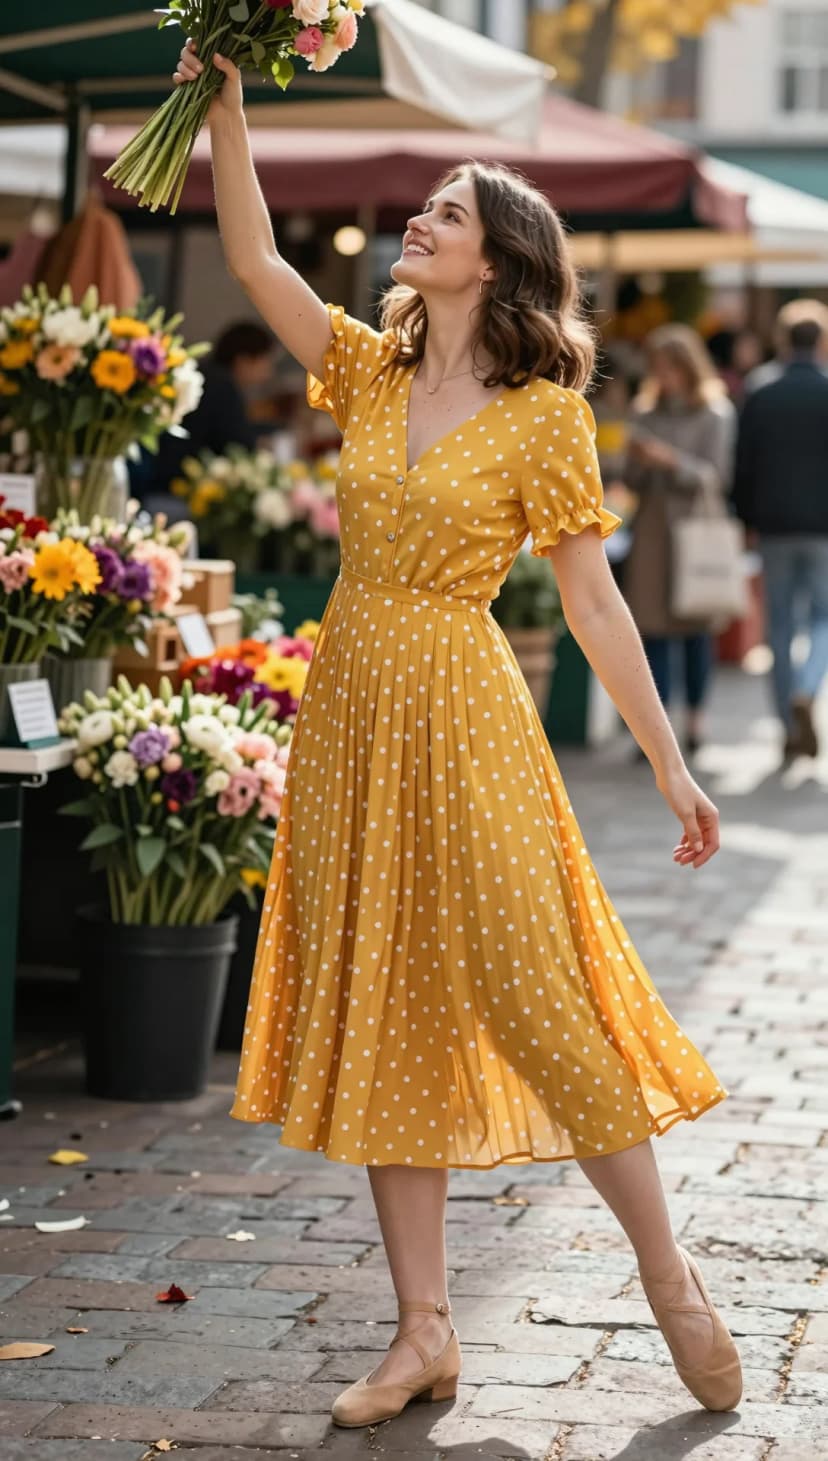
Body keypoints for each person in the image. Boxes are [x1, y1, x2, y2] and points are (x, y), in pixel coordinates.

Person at [174, 40, 742, 1429]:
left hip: (473, 715)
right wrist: (228, 107)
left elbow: (596, 601)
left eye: (444, 213)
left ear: (493, 261)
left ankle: (667, 1276)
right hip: (356, 703)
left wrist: (669, 760)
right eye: (421, 208)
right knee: (387, 1012)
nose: (416, 223)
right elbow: (253, 263)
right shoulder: (368, 373)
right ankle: (422, 1326)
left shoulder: (549, 416)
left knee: (535, 992)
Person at [622, 326, 736, 756]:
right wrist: (635, 461)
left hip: (695, 533)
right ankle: (657, 733)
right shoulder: (645, 413)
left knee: (693, 634)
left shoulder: (715, 413)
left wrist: (670, 461)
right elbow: (630, 481)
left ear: (687, 369)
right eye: (658, 369)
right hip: (652, 534)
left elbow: (716, 476)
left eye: (669, 369)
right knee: (651, 635)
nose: (663, 377)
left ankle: (696, 724)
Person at [733, 301, 828, 759]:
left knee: (782, 626)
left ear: (785, 339)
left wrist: (746, 520)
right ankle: (807, 688)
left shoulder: (761, 391)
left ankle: (787, 723)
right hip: (823, 530)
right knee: (825, 618)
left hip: (772, 527)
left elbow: (743, 465)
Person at [137, 318, 275, 515]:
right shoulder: (223, 387)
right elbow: (240, 446)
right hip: (177, 492)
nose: (268, 373)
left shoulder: (202, 375)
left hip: (158, 482)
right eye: (265, 363)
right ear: (244, 360)